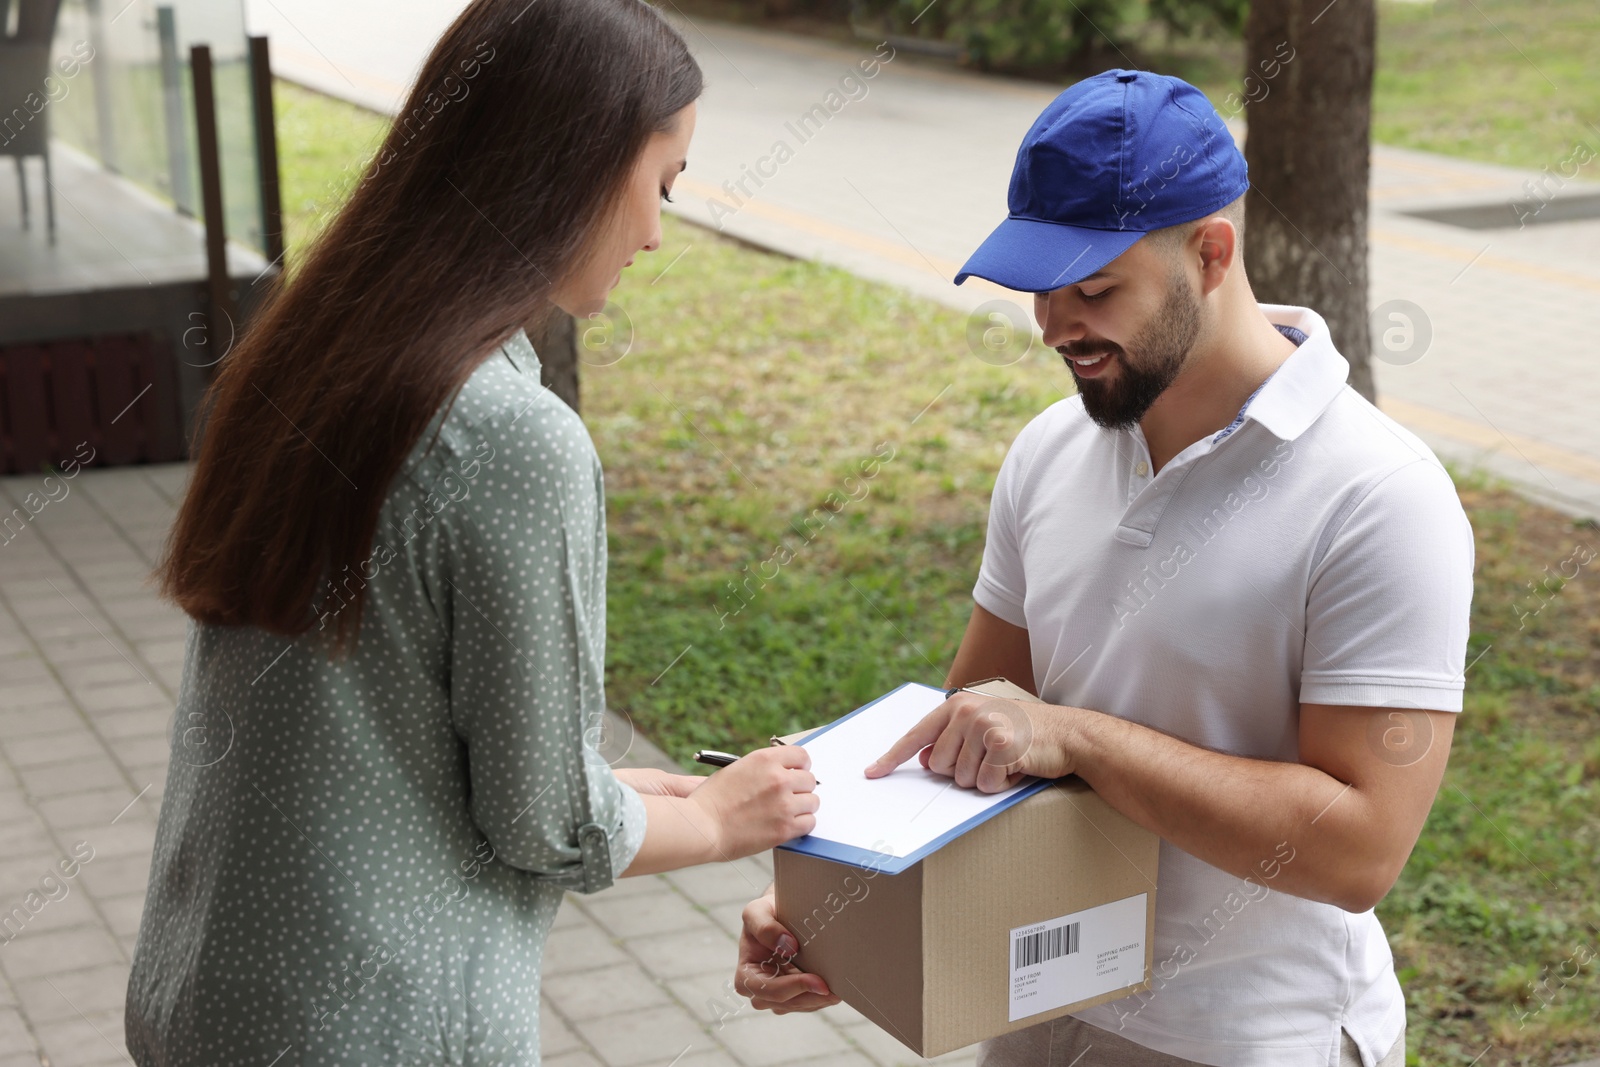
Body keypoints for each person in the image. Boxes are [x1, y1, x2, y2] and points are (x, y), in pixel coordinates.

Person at [733, 70, 1473, 1067]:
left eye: (1094, 288)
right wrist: (819, 912)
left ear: (1210, 251)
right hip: (1035, 995)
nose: (1053, 325)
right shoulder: (1050, 447)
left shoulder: (1379, 494)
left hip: (1242, 1034)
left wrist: (1075, 735)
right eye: (1041, 286)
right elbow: (980, 727)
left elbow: (1356, 848)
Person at [126, 1, 818, 1063]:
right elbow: (542, 820)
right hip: (377, 1026)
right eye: (661, 183)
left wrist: (635, 787)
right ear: (573, 166)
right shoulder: (514, 438)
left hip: (209, 995)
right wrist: (723, 821)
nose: (654, 233)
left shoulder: (314, 356)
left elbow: (384, 724)